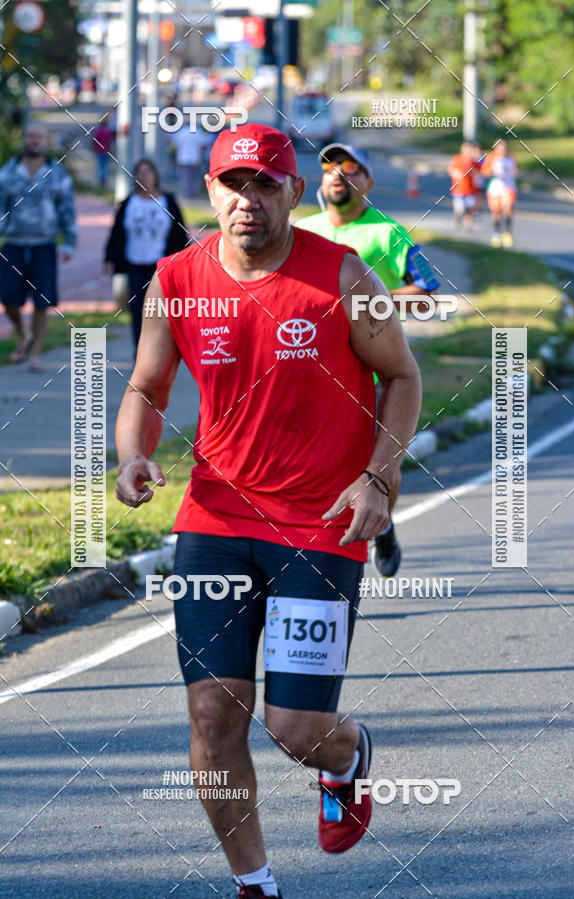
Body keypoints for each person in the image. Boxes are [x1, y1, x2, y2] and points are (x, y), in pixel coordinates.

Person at [114, 123, 422, 898]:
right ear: (210, 191)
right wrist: (134, 452)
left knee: (294, 730)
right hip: (215, 522)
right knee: (214, 718)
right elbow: (147, 388)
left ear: (292, 193)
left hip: (322, 527)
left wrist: (377, 479)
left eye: (264, 185)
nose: (246, 200)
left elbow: (404, 378)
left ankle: (346, 759)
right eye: (232, 184)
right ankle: (255, 883)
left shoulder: (345, 276)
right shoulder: (175, 279)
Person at [296, 143, 439, 577]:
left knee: (378, 456)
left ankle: (384, 523)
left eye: (351, 170)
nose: (338, 175)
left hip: (376, 369)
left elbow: (429, 292)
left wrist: (369, 300)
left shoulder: (387, 233)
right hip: (313, 364)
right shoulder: (306, 229)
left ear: (368, 183)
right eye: (330, 169)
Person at [0, 123, 77, 372]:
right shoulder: (8, 173)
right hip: (14, 243)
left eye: (39, 137)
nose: (34, 141)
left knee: (43, 302)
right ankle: (22, 333)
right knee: (8, 296)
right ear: (24, 139)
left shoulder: (57, 174)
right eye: (30, 136)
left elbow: (67, 209)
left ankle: (35, 354)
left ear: (46, 141)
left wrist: (69, 243)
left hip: (44, 244)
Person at [104, 158, 188, 353]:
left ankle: (159, 352)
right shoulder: (128, 203)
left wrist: (183, 263)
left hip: (160, 266)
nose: (143, 176)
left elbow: (180, 234)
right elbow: (116, 233)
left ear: (155, 175)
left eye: (147, 172)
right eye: (139, 173)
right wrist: (110, 258)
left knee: (159, 311)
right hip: (134, 263)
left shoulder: (168, 202)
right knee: (137, 311)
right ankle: (139, 352)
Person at [481, 138, 518, 248]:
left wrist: (514, 172)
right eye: (499, 148)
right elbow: (484, 172)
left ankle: (507, 232)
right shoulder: (491, 157)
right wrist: (492, 172)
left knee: (508, 209)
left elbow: (517, 170)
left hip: (508, 188)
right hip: (495, 188)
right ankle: (496, 233)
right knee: (496, 212)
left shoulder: (511, 158)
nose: (502, 150)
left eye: (504, 147)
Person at [169, 122, 206, 198]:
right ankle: (193, 194)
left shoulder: (181, 132)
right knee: (194, 178)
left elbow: (174, 144)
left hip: (183, 158)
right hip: (195, 158)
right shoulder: (197, 131)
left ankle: (186, 194)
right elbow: (204, 144)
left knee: (184, 177)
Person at [447, 142, 476, 231]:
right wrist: (455, 172)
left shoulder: (473, 161)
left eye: (469, 150)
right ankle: (457, 219)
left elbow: (480, 170)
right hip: (459, 190)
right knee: (460, 209)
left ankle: (468, 226)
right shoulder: (457, 159)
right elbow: (450, 169)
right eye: (466, 149)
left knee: (469, 209)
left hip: (470, 189)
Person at [91, 114, 114, 188]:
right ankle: (104, 179)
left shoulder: (98, 131)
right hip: (106, 150)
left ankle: (101, 179)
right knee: (105, 165)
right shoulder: (107, 131)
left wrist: (94, 148)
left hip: (99, 150)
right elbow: (110, 141)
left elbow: (94, 140)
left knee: (100, 165)